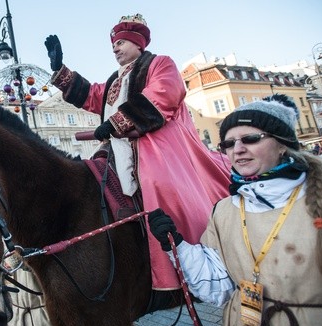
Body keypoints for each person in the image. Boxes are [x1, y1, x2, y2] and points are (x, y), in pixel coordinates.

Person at [44, 14, 230, 291]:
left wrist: (115, 122)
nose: (115, 48)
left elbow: (163, 95)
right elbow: (94, 96)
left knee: (157, 183)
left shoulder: (159, 63)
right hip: (117, 147)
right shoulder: (114, 79)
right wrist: (61, 70)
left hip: (155, 144)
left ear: (138, 43)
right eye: (113, 45)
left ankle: (183, 258)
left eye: (120, 42)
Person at [148, 94, 322, 326]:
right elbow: (219, 286)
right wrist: (176, 245)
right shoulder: (224, 210)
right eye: (229, 144)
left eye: (250, 139)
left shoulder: (319, 198)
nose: (238, 149)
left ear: (283, 144)